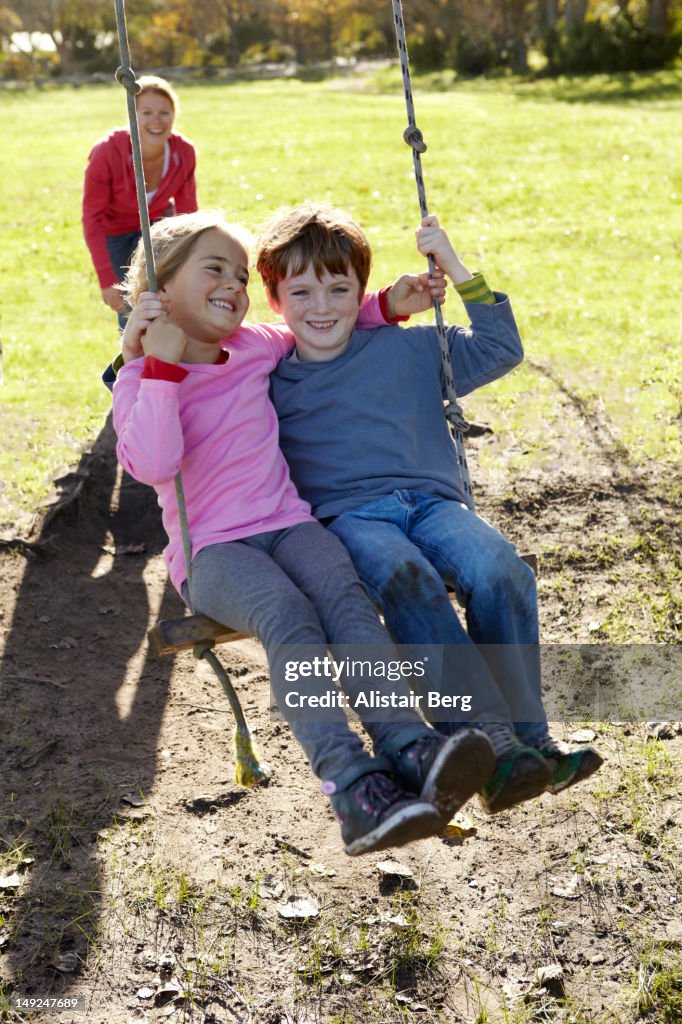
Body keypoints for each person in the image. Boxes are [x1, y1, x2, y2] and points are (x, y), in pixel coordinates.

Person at [111, 210, 496, 857]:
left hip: (288, 523)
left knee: (344, 597)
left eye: (239, 274)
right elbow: (152, 463)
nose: (233, 284)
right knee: (288, 614)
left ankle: (406, 742)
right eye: (215, 269)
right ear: (160, 287)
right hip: (214, 554)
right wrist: (155, 367)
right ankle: (350, 781)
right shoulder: (143, 379)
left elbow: (315, 329)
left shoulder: (255, 346)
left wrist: (386, 306)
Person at [255, 202, 603, 814]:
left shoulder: (410, 349)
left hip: (434, 504)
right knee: (407, 579)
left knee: (502, 569)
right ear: (275, 299)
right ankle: (484, 738)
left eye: (339, 289)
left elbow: (500, 349)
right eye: (302, 291)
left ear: (361, 291)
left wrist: (456, 266)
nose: (322, 307)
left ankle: (530, 743)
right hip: (352, 519)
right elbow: (194, 389)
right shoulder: (269, 379)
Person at [82, 75, 198, 328]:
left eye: (165, 112)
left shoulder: (183, 152)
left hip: (156, 224)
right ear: (132, 116)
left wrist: (192, 258)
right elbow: (92, 218)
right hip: (114, 233)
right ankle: (134, 364)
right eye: (146, 112)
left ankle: (174, 357)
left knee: (170, 295)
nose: (156, 121)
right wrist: (107, 279)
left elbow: (188, 213)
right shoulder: (107, 152)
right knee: (131, 307)